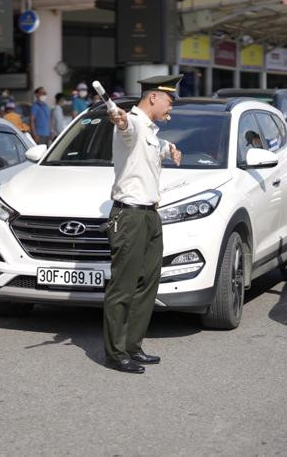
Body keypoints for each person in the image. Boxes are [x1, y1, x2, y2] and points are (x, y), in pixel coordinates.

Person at [104, 74, 182, 374]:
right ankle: (116, 352)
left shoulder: (151, 131)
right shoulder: (134, 124)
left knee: (148, 284)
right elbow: (126, 128)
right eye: (169, 100)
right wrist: (121, 119)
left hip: (150, 215)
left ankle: (133, 346)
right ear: (153, 97)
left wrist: (170, 149)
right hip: (130, 216)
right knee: (123, 286)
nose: (170, 107)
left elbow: (154, 146)